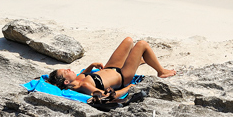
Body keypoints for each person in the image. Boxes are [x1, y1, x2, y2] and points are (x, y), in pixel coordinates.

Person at [48, 37, 176, 103]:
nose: (69, 69)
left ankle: (137, 61)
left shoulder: (77, 80)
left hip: (111, 67)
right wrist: (128, 88)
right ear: (65, 82)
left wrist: (91, 66)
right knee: (142, 44)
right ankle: (161, 72)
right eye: (66, 71)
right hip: (122, 75)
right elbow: (106, 96)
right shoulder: (84, 85)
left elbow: (82, 74)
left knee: (128, 41)